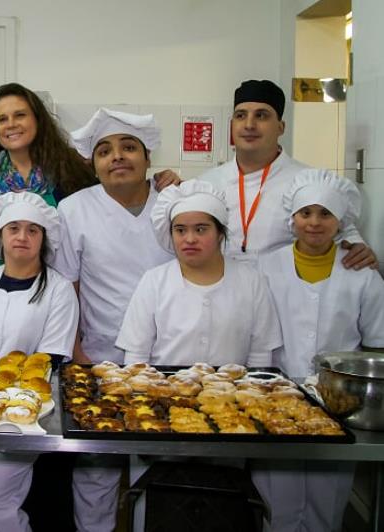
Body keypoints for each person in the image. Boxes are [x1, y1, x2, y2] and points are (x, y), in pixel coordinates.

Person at [53, 108, 175, 532]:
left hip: (168, 357)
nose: (116, 157)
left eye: (128, 147)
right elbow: (65, 287)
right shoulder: (73, 210)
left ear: (147, 156)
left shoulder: (172, 206)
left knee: (157, 465)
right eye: (105, 150)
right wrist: (76, 352)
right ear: (93, 162)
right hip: (99, 355)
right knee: (95, 467)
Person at [253, 169, 384, 532]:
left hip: (340, 403)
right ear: (291, 218)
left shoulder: (363, 274)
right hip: (274, 395)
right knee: (276, 502)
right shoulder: (265, 267)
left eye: (325, 214)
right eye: (305, 213)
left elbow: (377, 341)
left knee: (327, 503)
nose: (314, 223)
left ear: (341, 220)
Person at [0, 191, 78, 531]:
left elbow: (49, 360)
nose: (22, 237)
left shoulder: (59, 290)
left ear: (44, 239)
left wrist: (6, 405)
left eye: (32, 230)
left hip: (25, 414)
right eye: (14, 229)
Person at [198, 79, 377, 269]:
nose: (249, 124)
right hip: (225, 292)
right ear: (232, 125)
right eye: (241, 115)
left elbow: (344, 231)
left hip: (285, 294)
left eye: (261, 115)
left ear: (281, 127)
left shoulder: (307, 182)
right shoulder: (208, 182)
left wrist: (359, 249)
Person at [0, 83, 96, 311]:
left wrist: (161, 182)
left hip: (61, 298)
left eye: (19, 115)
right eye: (2, 119)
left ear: (38, 121)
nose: (10, 124)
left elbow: (108, 205)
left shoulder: (72, 173)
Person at [116, 179, 283, 366]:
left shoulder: (251, 281)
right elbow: (136, 356)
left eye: (201, 229)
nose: (190, 239)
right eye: (180, 230)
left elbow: (260, 353)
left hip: (232, 392)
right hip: (165, 392)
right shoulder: (155, 281)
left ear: (220, 233)